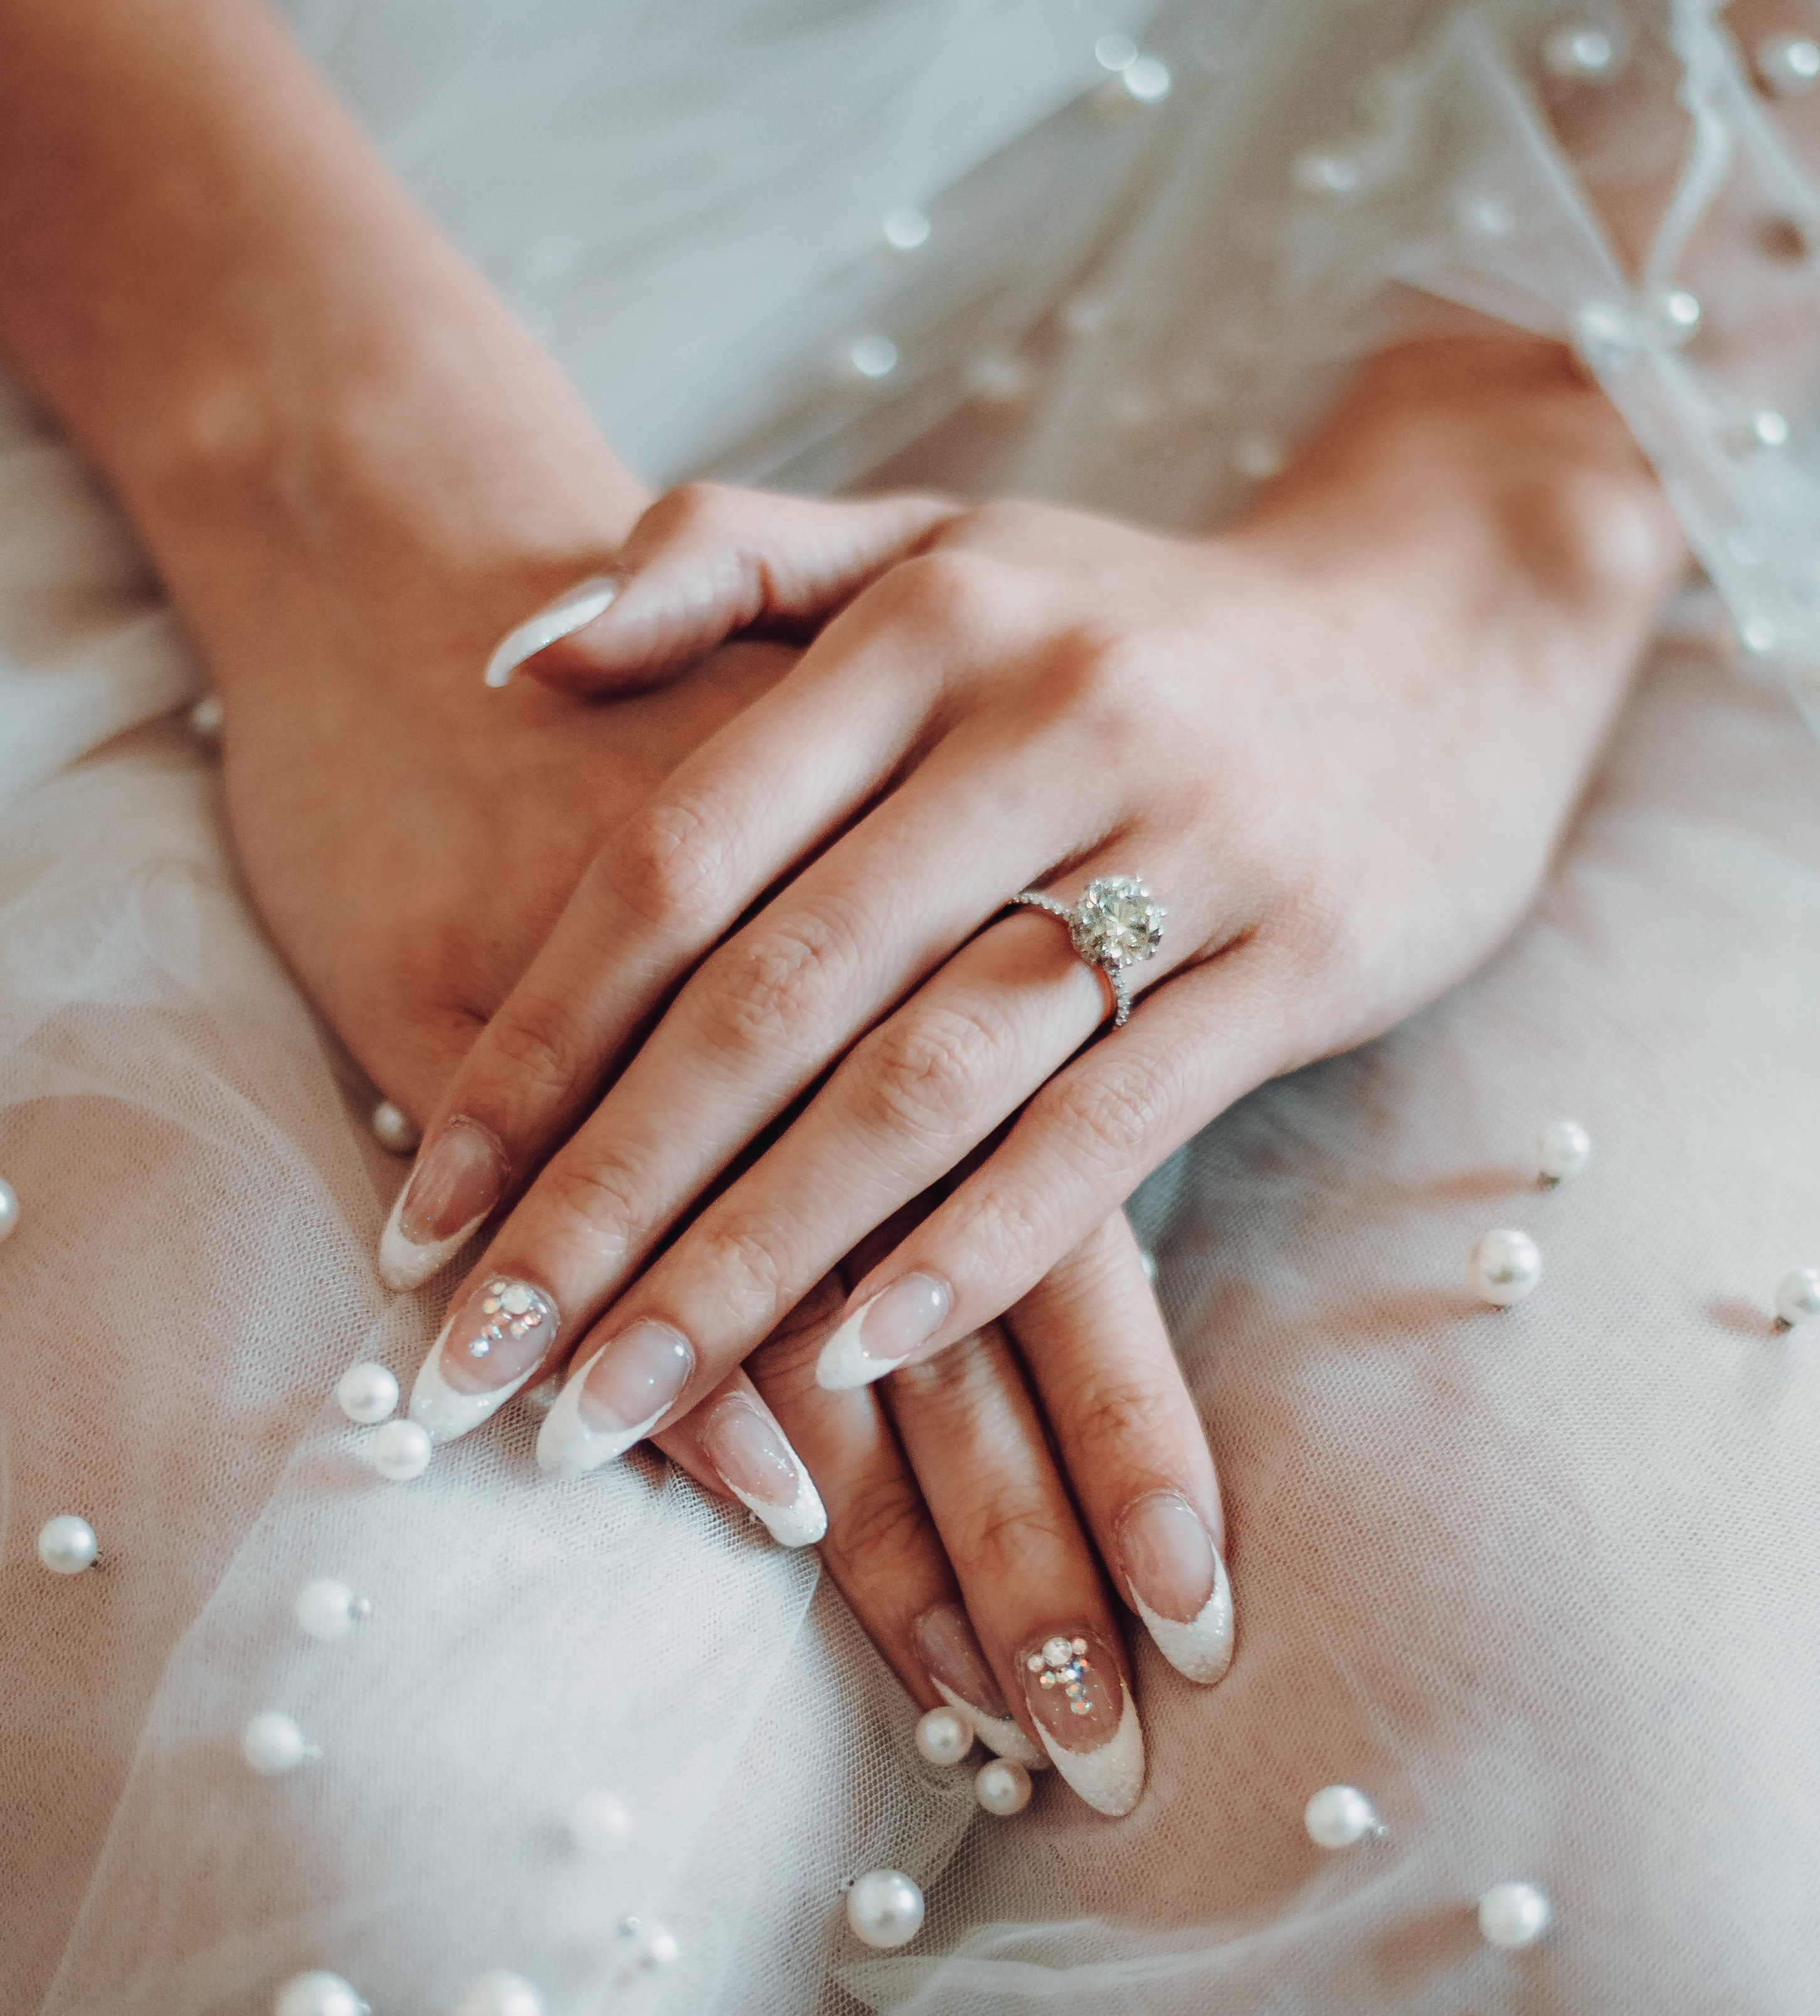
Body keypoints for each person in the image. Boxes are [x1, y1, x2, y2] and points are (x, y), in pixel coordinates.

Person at [3, 1, 1817, 2010]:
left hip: (1612, 290)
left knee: (1604, 1860)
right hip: (281, 225)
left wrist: (1501, 517)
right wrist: (350, 498)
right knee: (384, 1840)